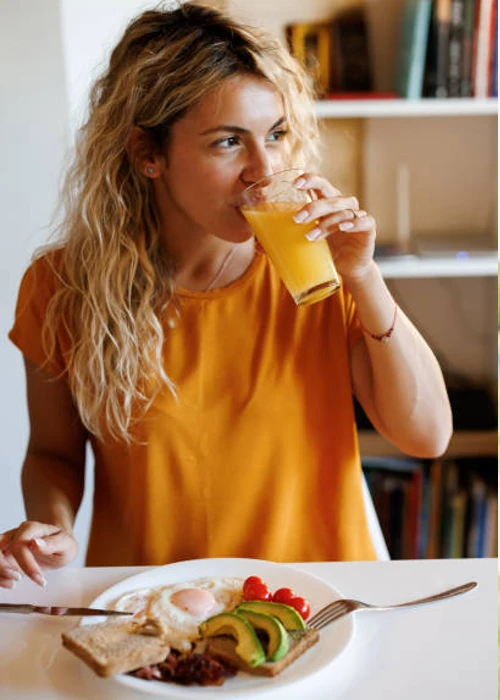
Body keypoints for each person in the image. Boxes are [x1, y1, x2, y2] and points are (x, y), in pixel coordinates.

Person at [1, 2, 452, 590]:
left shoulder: (317, 270)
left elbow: (428, 434)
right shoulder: (62, 287)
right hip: (154, 613)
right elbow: (54, 455)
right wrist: (49, 526)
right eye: (227, 142)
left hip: (316, 605)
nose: (263, 169)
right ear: (147, 154)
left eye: (276, 134)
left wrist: (364, 278)